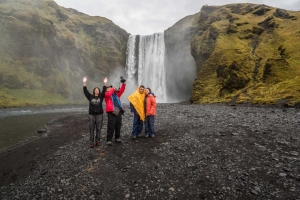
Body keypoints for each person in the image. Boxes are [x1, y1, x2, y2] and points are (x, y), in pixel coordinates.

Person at [83, 76, 107, 148]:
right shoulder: (90, 96)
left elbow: (104, 90)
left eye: (98, 90)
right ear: (94, 91)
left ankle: (98, 141)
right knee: (92, 128)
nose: (97, 90)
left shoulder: (101, 97)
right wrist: (84, 82)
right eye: (96, 90)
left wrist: (105, 83)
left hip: (99, 114)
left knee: (99, 128)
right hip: (91, 114)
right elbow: (85, 91)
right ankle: (91, 142)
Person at [104, 77, 126, 146]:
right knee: (111, 125)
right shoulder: (106, 95)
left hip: (118, 111)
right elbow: (108, 94)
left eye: (111, 87)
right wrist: (113, 89)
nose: (111, 88)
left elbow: (121, 90)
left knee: (118, 125)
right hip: (111, 111)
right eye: (109, 88)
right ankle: (109, 139)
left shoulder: (116, 95)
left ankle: (117, 137)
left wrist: (123, 83)